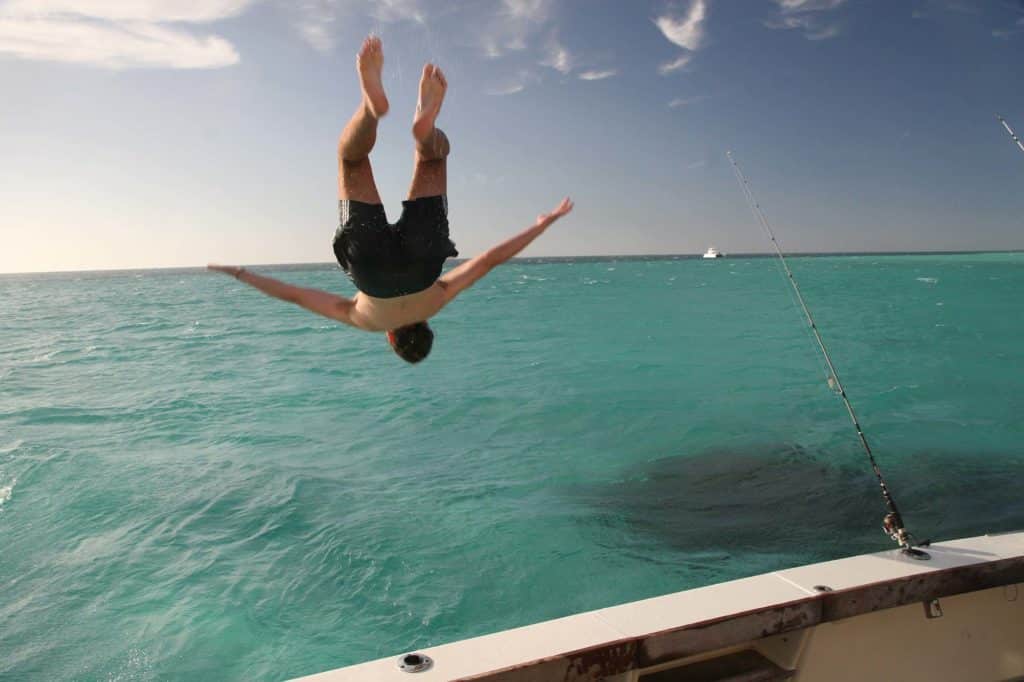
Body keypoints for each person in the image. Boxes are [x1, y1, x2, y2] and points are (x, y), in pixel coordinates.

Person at [209, 36, 573, 364]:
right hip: (371, 269)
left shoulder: (437, 300)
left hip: (423, 262)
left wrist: (543, 224)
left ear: (426, 327)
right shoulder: (366, 321)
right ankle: (370, 110)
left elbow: (490, 261)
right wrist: (240, 273)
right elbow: (297, 296)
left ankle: (424, 131)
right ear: (391, 337)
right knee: (352, 160)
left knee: (433, 158)